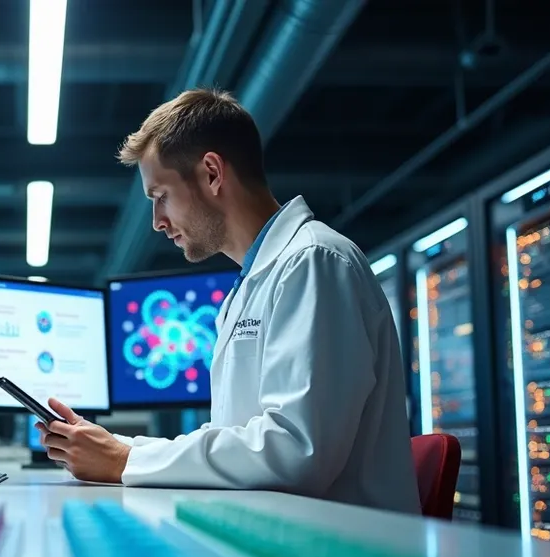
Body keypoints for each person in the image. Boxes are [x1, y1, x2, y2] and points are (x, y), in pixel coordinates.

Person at [38, 88, 419, 514]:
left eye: (160, 195)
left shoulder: (314, 262)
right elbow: (237, 442)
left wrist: (128, 460)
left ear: (213, 173)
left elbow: (296, 451)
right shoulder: (246, 290)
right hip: (281, 538)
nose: (157, 222)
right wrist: (115, 446)